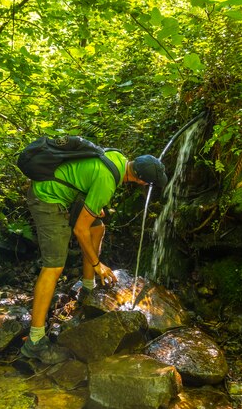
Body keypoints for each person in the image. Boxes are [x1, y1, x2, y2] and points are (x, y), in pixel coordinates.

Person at [19, 147, 168, 364]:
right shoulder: (108, 181)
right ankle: (34, 342)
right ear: (142, 181)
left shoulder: (118, 159)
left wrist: (92, 205)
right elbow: (80, 230)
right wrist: (98, 264)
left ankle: (86, 289)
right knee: (53, 267)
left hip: (62, 191)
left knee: (97, 228)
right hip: (47, 198)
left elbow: (85, 180)